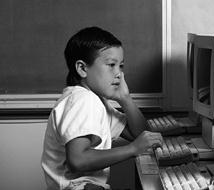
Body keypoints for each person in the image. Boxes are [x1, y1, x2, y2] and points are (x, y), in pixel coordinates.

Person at [41, 26, 163, 190]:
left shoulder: (95, 101)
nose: (118, 73)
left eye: (121, 66)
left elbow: (142, 135)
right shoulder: (83, 100)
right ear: (82, 68)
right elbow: (78, 160)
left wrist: (125, 98)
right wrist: (132, 149)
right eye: (111, 64)